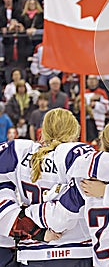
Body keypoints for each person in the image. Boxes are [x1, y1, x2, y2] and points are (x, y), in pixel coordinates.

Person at [25, 118, 109, 267]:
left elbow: (60, 216)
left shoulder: (83, 177)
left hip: (105, 262)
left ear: (101, 141)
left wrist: (29, 212)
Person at [0, 108, 95, 266]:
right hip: (78, 250)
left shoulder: (19, 151)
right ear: (74, 131)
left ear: (43, 130)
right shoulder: (77, 155)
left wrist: (20, 219)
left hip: (33, 254)